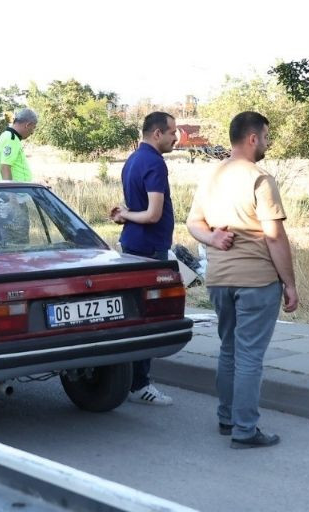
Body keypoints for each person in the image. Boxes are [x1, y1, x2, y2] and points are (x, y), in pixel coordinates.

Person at [186, 111, 296, 449]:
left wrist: (212, 240)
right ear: (252, 138)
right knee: (249, 355)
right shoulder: (260, 178)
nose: (266, 142)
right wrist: (289, 283)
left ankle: (227, 417)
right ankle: (245, 429)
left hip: (219, 279)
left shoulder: (211, 176)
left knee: (229, 350)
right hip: (256, 280)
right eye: (265, 136)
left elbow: (193, 223)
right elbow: (274, 236)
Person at [112, 111, 179, 407]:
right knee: (149, 319)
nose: (176, 138)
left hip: (132, 246)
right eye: (172, 132)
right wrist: (126, 214)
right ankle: (140, 385)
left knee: (133, 316)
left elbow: (136, 206)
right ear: (156, 133)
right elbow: (152, 214)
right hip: (149, 250)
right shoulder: (154, 163)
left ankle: (131, 381)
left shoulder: (133, 159)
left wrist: (125, 214)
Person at [0, 109, 38, 181]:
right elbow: (5, 167)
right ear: (28, 125)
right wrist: (10, 191)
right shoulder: (11, 138)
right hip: (15, 191)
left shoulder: (7, 136)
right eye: (33, 128)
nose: (32, 132)